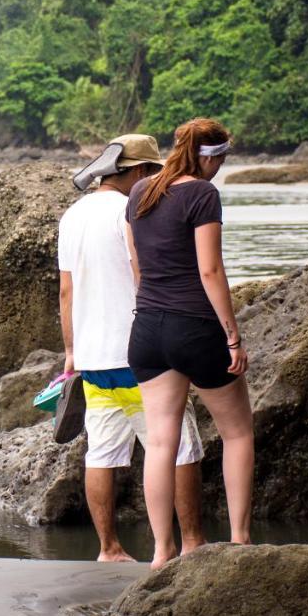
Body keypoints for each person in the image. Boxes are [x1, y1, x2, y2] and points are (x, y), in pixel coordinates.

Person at [59, 133, 206, 563]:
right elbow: (145, 274)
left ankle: (109, 549)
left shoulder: (73, 214)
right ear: (140, 172)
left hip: (91, 358)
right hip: (139, 352)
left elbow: (66, 291)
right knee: (178, 446)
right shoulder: (135, 208)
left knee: (101, 455)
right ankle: (192, 544)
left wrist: (72, 352)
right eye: (152, 172)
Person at [125, 118, 253, 570]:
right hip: (195, 327)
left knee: (160, 443)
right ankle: (239, 542)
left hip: (146, 331)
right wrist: (232, 335)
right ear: (209, 157)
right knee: (237, 432)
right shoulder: (202, 195)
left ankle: (161, 553)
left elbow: (137, 265)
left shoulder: (140, 192)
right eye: (221, 159)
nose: (220, 168)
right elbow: (210, 271)